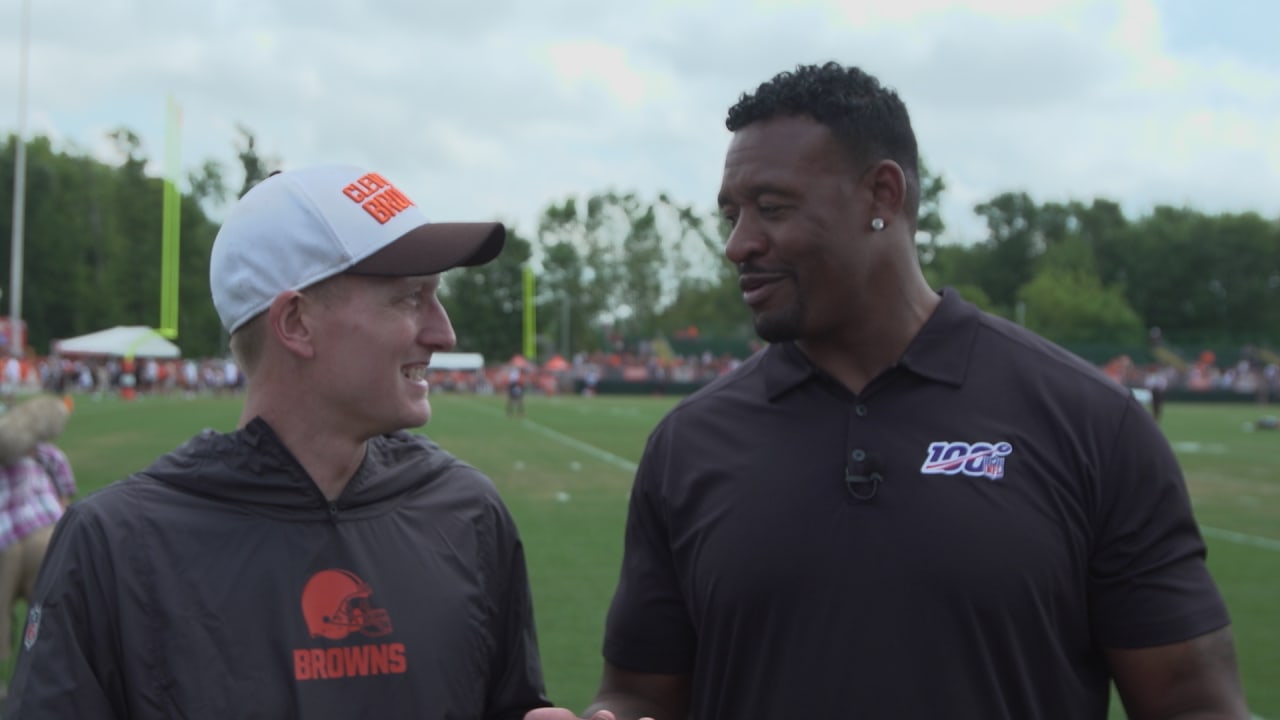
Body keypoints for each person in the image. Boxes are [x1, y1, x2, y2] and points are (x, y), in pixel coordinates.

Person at [528, 63, 1248, 719]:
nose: (738, 243)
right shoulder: (688, 445)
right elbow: (639, 691)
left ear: (883, 194)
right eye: (732, 214)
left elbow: (1192, 702)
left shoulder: (1090, 423)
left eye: (771, 207)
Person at [6, 165, 551, 718]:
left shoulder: (467, 512)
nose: (444, 332)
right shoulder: (116, 548)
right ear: (295, 322)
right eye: (411, 297)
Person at [0, 394, 76, 706]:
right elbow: (65, 500)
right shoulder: (50, 456)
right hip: (44, 536)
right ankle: (51, 685)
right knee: (54, 618)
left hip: (5, 542)